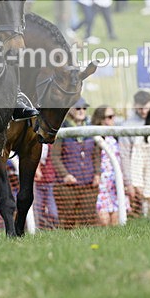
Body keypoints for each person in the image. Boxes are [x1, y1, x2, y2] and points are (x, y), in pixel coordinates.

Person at [51, 98, 101, 229]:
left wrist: (97, 174)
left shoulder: (91, 128)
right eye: (78, 108)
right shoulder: (61, 129)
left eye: (84, 108)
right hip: (67, 186)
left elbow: (96, 155)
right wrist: (65, 175)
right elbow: (55, 156)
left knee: (89, 220)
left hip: (89, 183)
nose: (81, 111)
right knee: (67, 222)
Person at [92, 105, 130, 226]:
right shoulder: (95, 137)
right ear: (100, 119)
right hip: (102, 184)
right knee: (104, 221)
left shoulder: (116, 136)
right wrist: (97, 174)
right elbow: (95, 157)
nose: (111, 120)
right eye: (108, 117)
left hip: (116, 182)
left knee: (117, 220)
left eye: (113, 116)